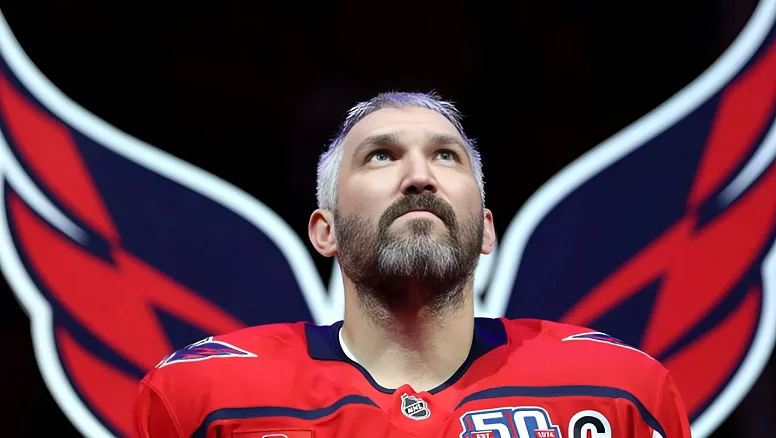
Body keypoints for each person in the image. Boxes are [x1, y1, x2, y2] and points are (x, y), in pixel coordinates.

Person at [133, 92, 693, 438]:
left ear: (487, 230)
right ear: (325, 231)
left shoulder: (619, 392)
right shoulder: (201, 396)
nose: (420, 177)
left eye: (445, 156)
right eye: (381, 156)